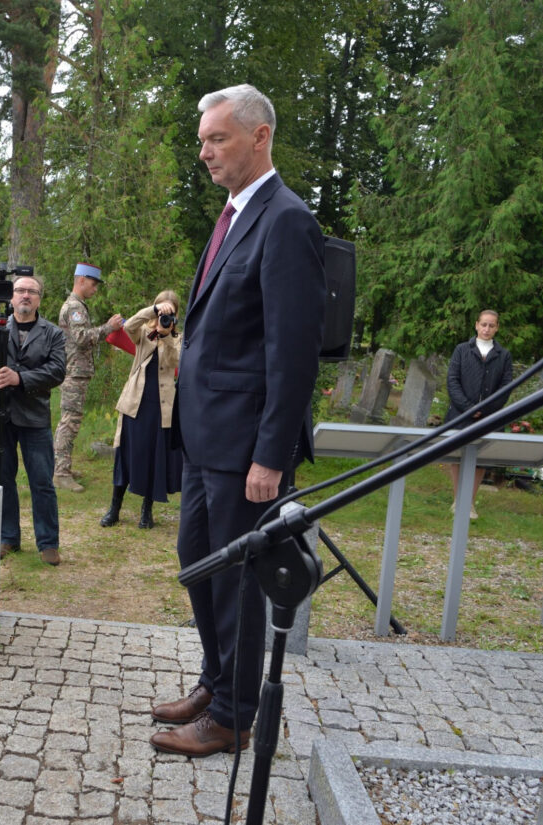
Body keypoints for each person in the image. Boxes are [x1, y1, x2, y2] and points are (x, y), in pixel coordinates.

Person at [152, 85, 326, 758]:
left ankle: (232, 716)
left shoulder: (286, 221)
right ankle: (216, 679)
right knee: (199, 564)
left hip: (245, 446)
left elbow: (292, 352)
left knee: (237, 581)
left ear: (260, 137)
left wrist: (271, 454)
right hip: (207, 437)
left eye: (216, 139)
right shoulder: (234, 214)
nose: (204, 152)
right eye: (202, 141)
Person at [0, 274, 66, 565]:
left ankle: (48, 543)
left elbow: (57, 371)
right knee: (2, 478)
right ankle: (7, 537)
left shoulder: (53, 333)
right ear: (11, 296)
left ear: (39, 299)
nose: (25, 295)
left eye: (32, 291)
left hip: (34, 415)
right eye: (20, 290)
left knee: (42, 481)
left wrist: (20, 379)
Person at [99, 290, 183, 529]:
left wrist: (167, 336)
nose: (164, 316)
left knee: (154, 456)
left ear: (176, 315)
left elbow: (175, 361)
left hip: (161, 407)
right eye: (161, 309)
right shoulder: (144, 332)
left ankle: (147, 511)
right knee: (126, 455)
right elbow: (129, 326)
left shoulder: (179, 339)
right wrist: (154, 312)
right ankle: (114, 508)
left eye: (169, 312)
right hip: (136, 402)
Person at [52, 262, 122, 492]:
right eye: (93, 284)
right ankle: (61, 474)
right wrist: (108, 327)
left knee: (69, 421)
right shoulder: (75, 307)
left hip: (75, 372)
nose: (95, 289)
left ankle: (62, 467)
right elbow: (82, 338)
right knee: (69, 423)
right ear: (81, 280)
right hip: (74, 373)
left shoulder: (77, 305)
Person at [445, 309, 513, 520]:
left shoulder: (503, 355)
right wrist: (468, 408)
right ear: (476, 325)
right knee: (457, 456)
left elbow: (506, 387)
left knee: (480, 459)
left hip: (489, 417)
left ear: (497, 328)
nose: (486, 329)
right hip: (460, 414)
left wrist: (486, 410)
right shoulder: (462, 350)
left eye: (491, 325)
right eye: (484, 324)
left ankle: (469, 503)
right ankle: (458, 500)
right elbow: (452, 381)